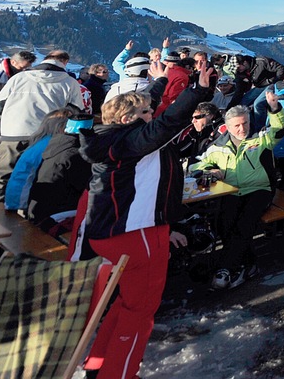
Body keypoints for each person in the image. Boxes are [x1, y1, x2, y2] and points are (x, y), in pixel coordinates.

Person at [78, 66, 215, 379]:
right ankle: (120, 374)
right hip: (135, 233)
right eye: (145, 112)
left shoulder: (111, 137)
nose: (151, 114)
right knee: (140, 312)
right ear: (128, 119)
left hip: (111, 232)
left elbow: (149, 107)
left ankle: (99, 366)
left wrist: (163, 79)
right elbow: (166, 123)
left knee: (126, 304)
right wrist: (198, 92)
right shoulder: (131, 143)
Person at [192, 94, 284, 290]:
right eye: (236, 126)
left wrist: (275, 109)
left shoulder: (260, 139)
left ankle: (226, 268)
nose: (242, 128)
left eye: (244, 123)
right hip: (233, 191)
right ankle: (249, 264)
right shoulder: (218, 146)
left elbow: (280, 130)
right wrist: (208, 171)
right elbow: (197, 164)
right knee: (224, 224)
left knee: (245, 222)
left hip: (259, 189)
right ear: (227, 127)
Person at [0, 49, 84, 205]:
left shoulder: (19, 77)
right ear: (65, 62)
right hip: (45, 138)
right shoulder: (70, 83)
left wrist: (9, 120)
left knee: (0, 178)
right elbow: (76, 113)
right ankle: (25, 221)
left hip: (12, 134)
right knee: (34, 179)